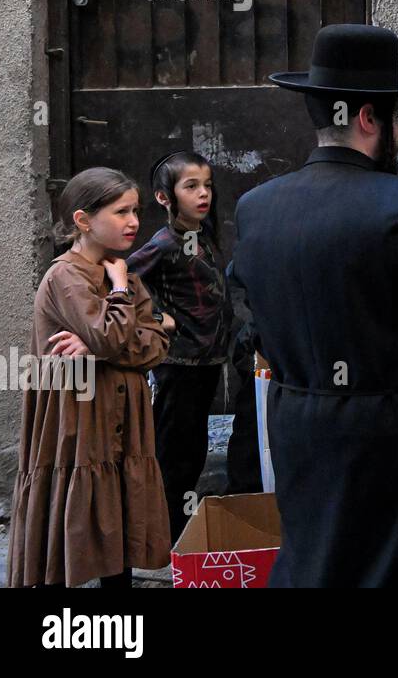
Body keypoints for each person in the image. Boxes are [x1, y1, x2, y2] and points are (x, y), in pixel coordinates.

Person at [229, 24, 398, 587]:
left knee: (315, 564)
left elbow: (253, 323)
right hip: (387, 440)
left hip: (296, 426)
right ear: (369, 119)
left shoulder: (256, 208)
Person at [7, 168, 170, 587]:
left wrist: (97, 347)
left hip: (120, 415)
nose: (133, 221)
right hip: (79, 419)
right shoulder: (66, 276)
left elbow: (155, 343)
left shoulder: (126, 274)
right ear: (83, 220)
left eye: (135, 210)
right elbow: (113, 336)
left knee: (119, 512)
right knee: (71, 511)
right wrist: (116, 299)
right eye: (120, 212)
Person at [128, 150, 234, 543]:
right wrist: (155, 319)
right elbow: (119, 283)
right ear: (164, 197)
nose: (203, 194)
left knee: (191, 449)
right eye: (191, 187)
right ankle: (163, 538)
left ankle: (177, 533)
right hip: (179, 364)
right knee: (173, 454)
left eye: (207, 185)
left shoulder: (200, 236)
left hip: (206, 361)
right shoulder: (163, 242)